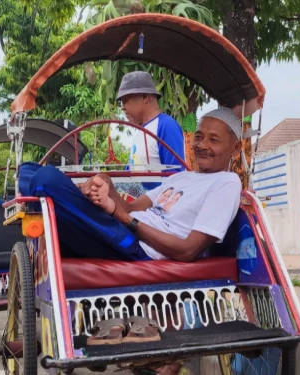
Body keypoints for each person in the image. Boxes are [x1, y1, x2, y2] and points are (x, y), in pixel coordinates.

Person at [18, 107, 243, 262]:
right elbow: (129, 209)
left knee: (45, 179)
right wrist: (106, 186)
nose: (202, 145)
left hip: (136, 246)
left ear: (235, 148)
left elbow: (188, 251)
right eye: (199, 137)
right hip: (122, 228)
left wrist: (125, 220)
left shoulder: (227, 183)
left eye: (213, 140)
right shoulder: (180, 178)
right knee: (28, 169)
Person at [117, 71, 185, 172]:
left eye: (125, 101)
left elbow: (176, 176)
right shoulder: (141, 132)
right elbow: (130, 173)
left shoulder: (166, 126)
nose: (123, 107)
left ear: (144, 97)